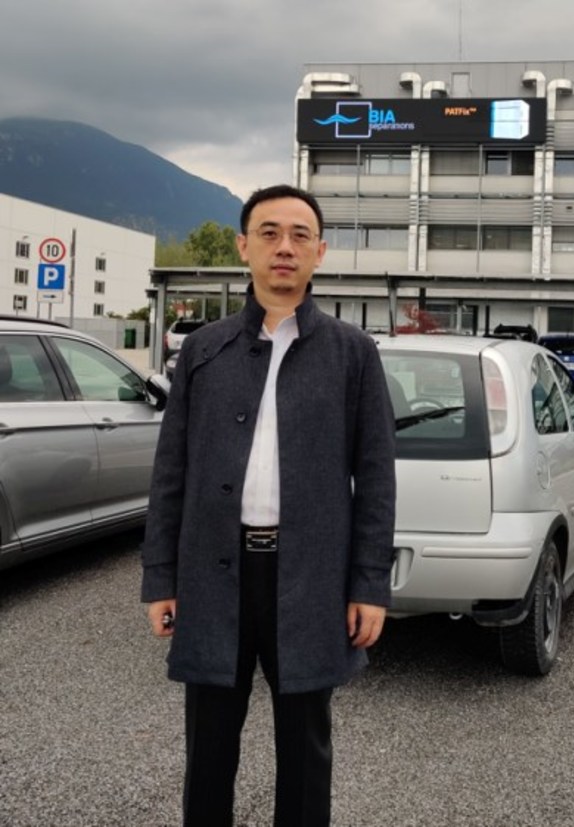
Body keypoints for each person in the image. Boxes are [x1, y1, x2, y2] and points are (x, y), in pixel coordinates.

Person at [141, 183, 396, 827]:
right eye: (269, 233)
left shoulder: (353, 353)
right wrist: (160, 577)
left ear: (319, 252)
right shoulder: (203, 350)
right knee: (208, 748)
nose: (285, 247)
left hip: (310, 578)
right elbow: (171, 473)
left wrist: (369, 585)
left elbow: (375, 477)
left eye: (299, 235)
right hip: (214, 575)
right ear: (243, 246)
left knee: (306, 750)